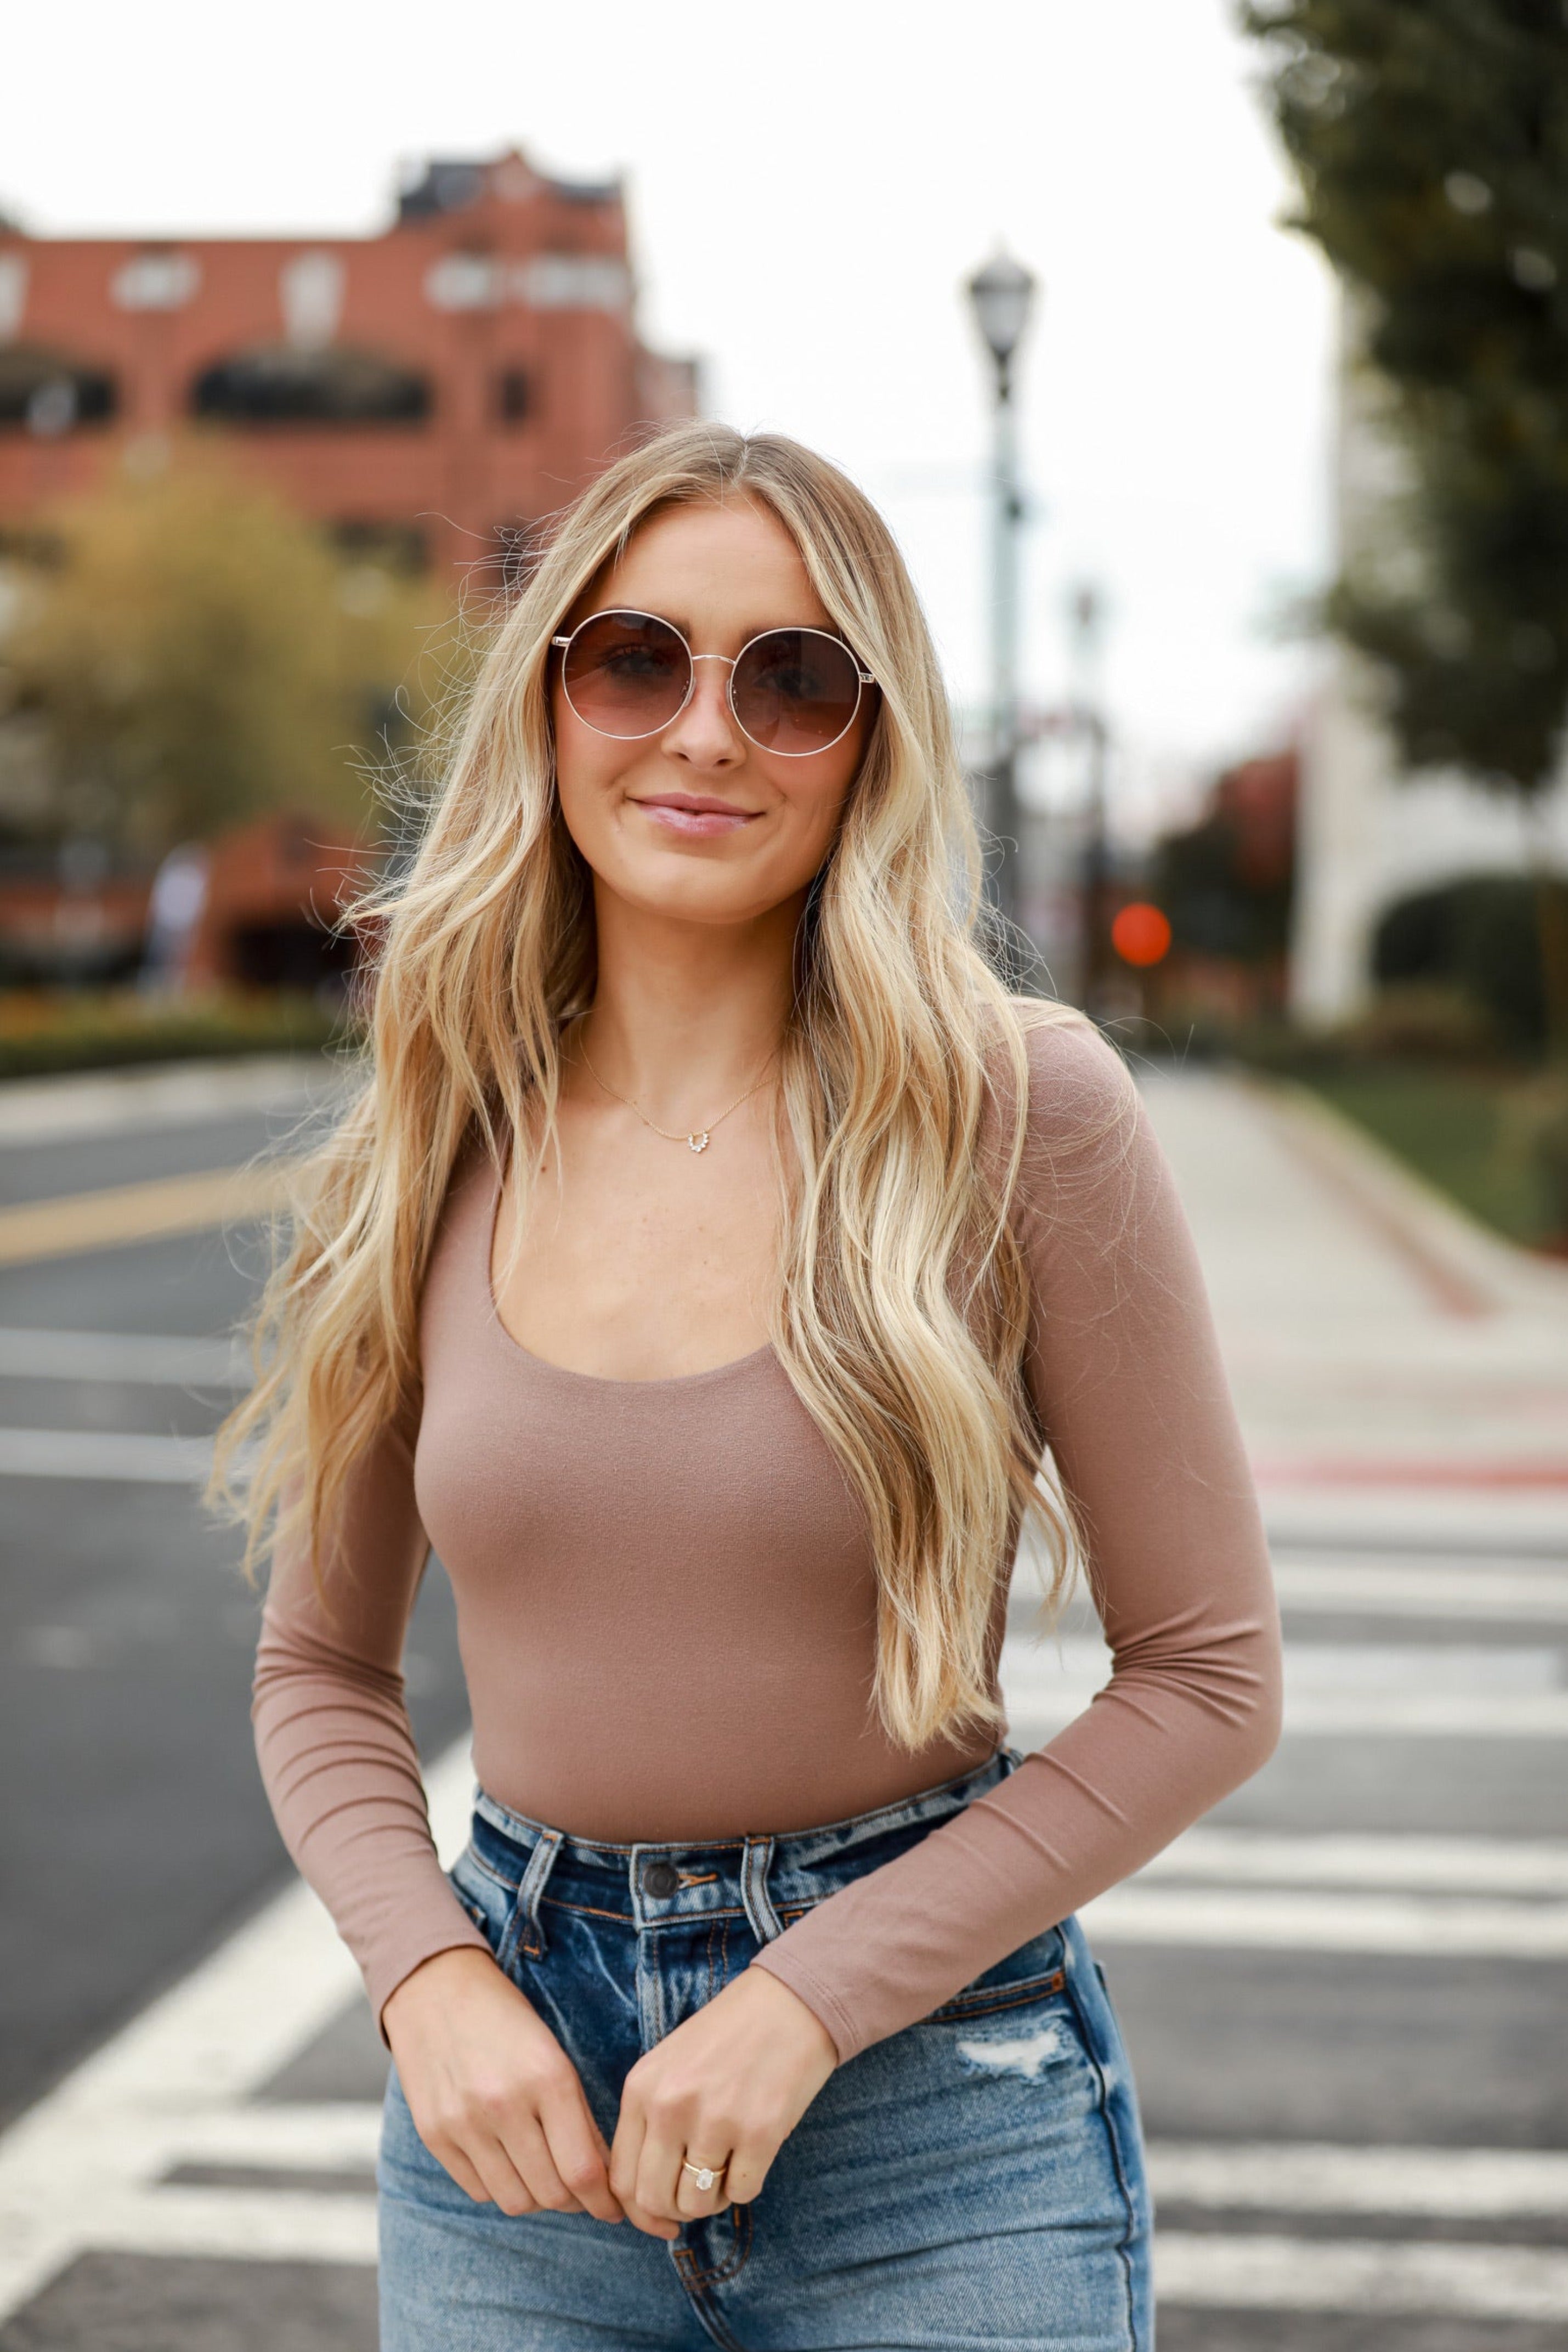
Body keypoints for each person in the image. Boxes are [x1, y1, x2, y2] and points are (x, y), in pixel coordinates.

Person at [219, 422, 1282, 2351]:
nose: (703, 732)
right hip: (513, 2148)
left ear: (868, 744)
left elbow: (1208, 1675)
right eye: (637, 660)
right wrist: (427, 1984)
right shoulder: (446, 1119)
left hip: (935, 2138)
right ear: (547, 703)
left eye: (789, 680)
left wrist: (809, 1995)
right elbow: (321, 1670)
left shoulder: (1016, 1113)